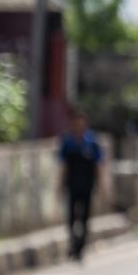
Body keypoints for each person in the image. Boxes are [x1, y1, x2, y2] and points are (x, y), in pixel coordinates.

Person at [58, 109, 104, 261]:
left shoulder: (92, 142)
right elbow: (63, 166)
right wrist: (59, 185)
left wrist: (101, 186)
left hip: (87, 185)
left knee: (85, 219)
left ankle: (80, 249)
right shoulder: (68, 142)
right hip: (72, 185)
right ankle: (73, 244)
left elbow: (98, 166)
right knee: (71, 218)